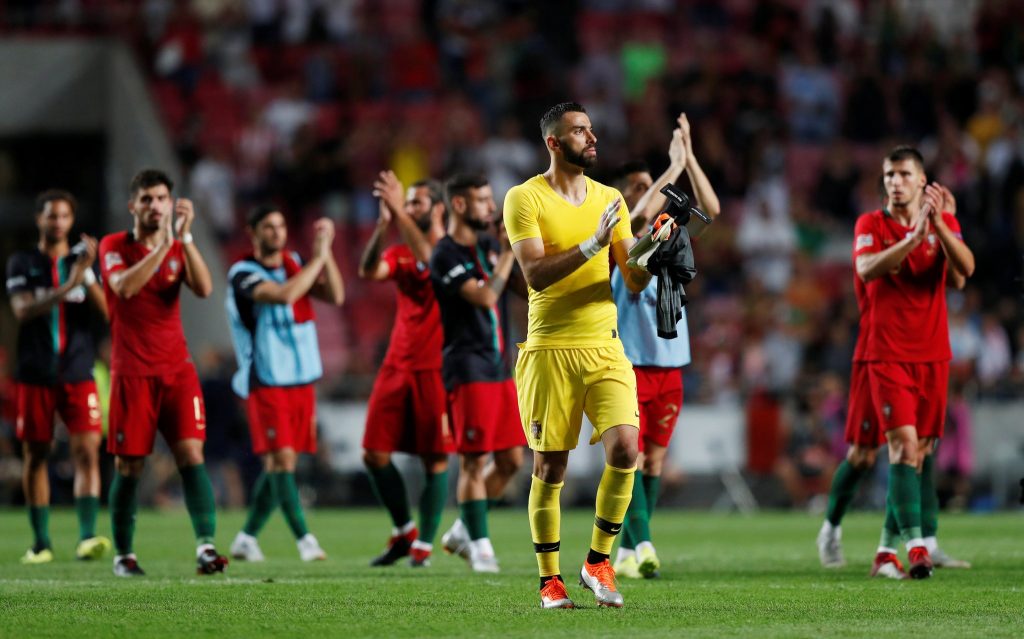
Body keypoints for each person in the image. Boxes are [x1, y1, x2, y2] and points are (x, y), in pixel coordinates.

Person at [504, 102, 655, 609]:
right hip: (549, 348)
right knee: (550, 469)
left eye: (591, 128)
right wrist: (593, 244)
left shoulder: (610, 197)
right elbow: (534, 275)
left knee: (627, 449)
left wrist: (653, 251)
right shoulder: (524, 199)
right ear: (553, 142)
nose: (591, 137)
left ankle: (598, 562)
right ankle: (550, 580)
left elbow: (631, 277)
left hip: (605, 345)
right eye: (578, 131)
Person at [817, 181, 971, 572]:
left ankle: (899, 548)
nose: (896, 182)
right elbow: (867, 268)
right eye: (891, 174)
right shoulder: (872, 225)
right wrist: (918, 235)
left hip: (925, 354)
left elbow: (961, 275)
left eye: (905, 174)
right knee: (864, 455)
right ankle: (831, 528)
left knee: (917, 449)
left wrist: (942, 225)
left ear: (922, 183)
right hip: (878, 355)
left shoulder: (937, 222)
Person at [98, 169, 227, 577]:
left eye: (161, 199)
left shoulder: (177, 247)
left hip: (177, 370)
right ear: (132, 205)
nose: (155, 206)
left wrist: (185, 240)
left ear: (171, 204)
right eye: (147, 199)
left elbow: (205, 289)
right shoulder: (114, 246)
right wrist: (165, 246)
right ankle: (124, 555)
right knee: (129, 466)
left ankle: (206, 547)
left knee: (191, 453)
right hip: (132, 372)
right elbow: (124, 287)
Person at [610, 113, 721, 579]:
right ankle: (645, 543)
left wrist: (690, 159)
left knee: (653, 459)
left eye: (648, 183)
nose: (647, 190)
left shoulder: (671, 237)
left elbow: (710, 214)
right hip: (629, 364)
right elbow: (635, 218)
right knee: (630, 456)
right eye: (638, 185)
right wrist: (670, 170)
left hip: (670, 366)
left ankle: (630, 551)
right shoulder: (617, 236)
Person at [226, 205, 344, 562]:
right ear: (253, 232)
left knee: (280, 464)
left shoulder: (294, 262)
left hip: (299, 376)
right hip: (266, 377)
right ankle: (305, 540)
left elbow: (335, 296)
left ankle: (246, 537)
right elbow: (283, 296)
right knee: (283, 460)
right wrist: (317, 259)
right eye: (268, 226)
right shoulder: (242, 273)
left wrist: (328, 255)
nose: (277, 232)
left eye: (280, 225)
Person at [6, 189, 111, 564]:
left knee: (87, 451)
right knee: (36, 454)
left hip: (78, 371)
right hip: (35, 373)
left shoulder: (83, 265)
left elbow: (108, 314)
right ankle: (41, 542)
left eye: (64, 216)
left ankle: (86, 536)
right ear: (39, 220)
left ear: (72, 221)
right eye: (51, 216)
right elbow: (22, 310)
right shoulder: (22, 263)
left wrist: (89, 276)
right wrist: (69, 286)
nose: (58, 223)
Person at [358, 171, 455, 567]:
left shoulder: (451, 249)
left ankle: (424, 545)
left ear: (438, 208)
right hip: (397, 365)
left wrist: (397, 209)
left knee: (435, 459)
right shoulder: (399, 252)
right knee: (373, 454)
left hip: (437, 367)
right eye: (408, 202)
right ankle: (404, 530)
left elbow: (432, 262)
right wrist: (383, 228)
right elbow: (368, 271)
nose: (410, 208)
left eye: (417, 202)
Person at [430, 174, 526, 574]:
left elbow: (525, 288)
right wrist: (505, 254)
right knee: (473, 461)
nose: (492, 207)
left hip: (500, 367)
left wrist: (518, 250)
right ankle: (481, 546)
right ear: (459, 206)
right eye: (483, 200)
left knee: (511, 462)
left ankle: (460, 530)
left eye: (492, 200)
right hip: (467, 366)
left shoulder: (490, 245)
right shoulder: (445, 255)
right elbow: (485, 296)